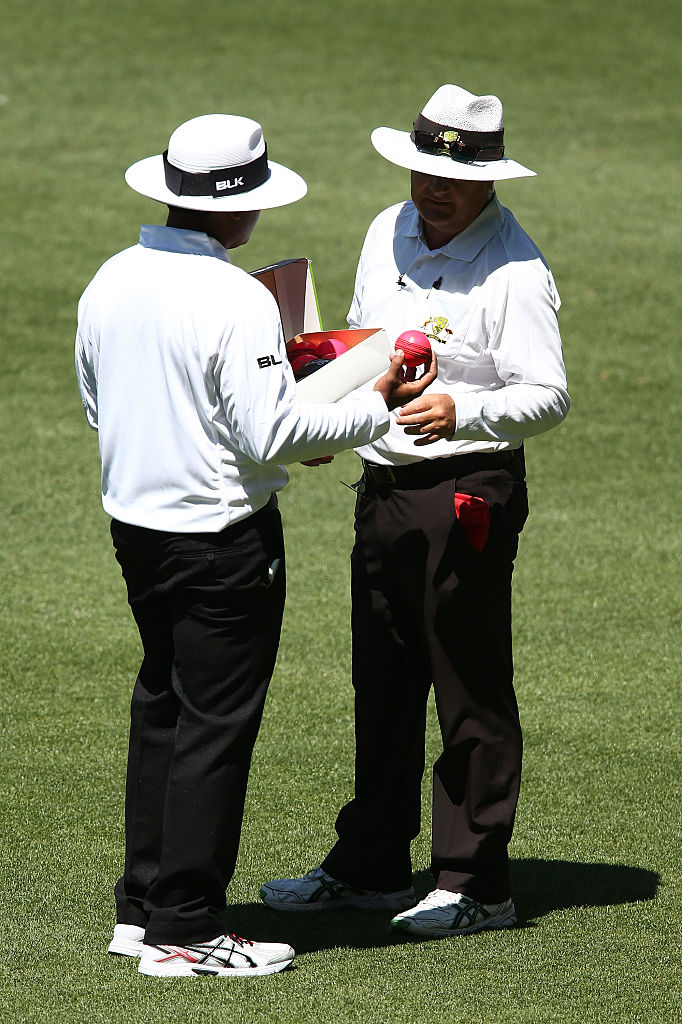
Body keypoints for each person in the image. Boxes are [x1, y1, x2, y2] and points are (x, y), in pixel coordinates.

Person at [75, 113, 436, 977]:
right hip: (222, 540)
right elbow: (274, 433)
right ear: (238, 211)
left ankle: (144, 906)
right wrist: (379, 397)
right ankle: (187, 929)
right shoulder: (234, 298)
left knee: (162, 706)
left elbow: (99, 402)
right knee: (214, 726)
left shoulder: (110, 278)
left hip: (137, 528)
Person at [261, 84, 569, 938]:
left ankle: (478, 881)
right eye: (421, 169)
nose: (431, 188)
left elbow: (548, 395)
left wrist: (463, 413)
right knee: (384, 678)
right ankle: (371, 862)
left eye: (451, 176)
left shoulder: (517, 270)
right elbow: (365, 341)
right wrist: (326, 413)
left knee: (467, 686)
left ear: (488, 180)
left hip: (466, 492)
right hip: (386, 489)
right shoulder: (383, 228)